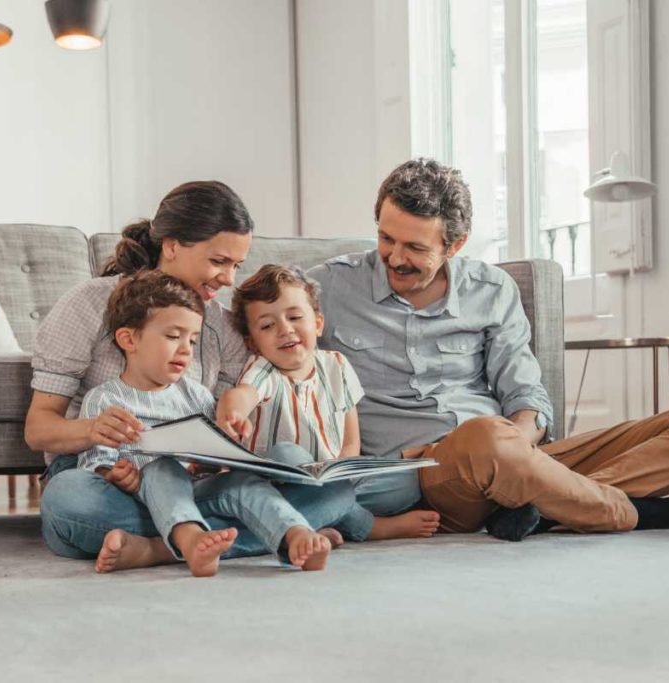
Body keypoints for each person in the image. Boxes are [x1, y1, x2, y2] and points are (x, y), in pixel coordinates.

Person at [306, 158, 669, 541]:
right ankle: (633, 512)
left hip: (513, 453)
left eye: (415, 247)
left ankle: (542, 508)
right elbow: (250, 311)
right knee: (483, 436)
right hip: (430, 475)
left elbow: (527, 398)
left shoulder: (492, 290)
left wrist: (513, 447)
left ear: (454, 246)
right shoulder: (329, 286)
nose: (395, 257)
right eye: (386, 238)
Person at [27, 180, 355, 562]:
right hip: (108, 477)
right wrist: (92, 430)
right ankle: (272, 530)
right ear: (171, 246)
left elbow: (218, 437)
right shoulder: (89, 304)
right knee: (69, 501)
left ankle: (159, 547)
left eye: (236, 265)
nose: (229, 279)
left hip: (194, 480)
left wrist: (231, 433)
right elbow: (38, 430)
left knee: (333, 485)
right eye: (218, 262)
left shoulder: (221, 325)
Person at [80, 271, 336, 574]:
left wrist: (224, 452)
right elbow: (95, 461)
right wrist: (116, 474)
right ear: (129, 339)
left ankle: (295, 535)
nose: (186, 349)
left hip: (201, 491)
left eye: (192, 339)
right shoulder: (104, 399)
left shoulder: (196, 394)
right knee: (162, 468)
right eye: (174, 336)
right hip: (146, 496)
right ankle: (192, 542)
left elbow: (212, 459)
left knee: (243, 482)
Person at [217, 264, 440, 542]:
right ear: (252, 342)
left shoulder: (338, 365)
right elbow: (243, 394)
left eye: (295, 317)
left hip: (333, 480)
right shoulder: (264, 370)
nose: (285, 330)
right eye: (267, 325)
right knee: (287, 454)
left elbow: (350, 442)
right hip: (281, 484)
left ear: (318, 323)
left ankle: (318, 516)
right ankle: (367, 526)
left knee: (406, 483)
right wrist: (232, 412)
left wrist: (343, 472)